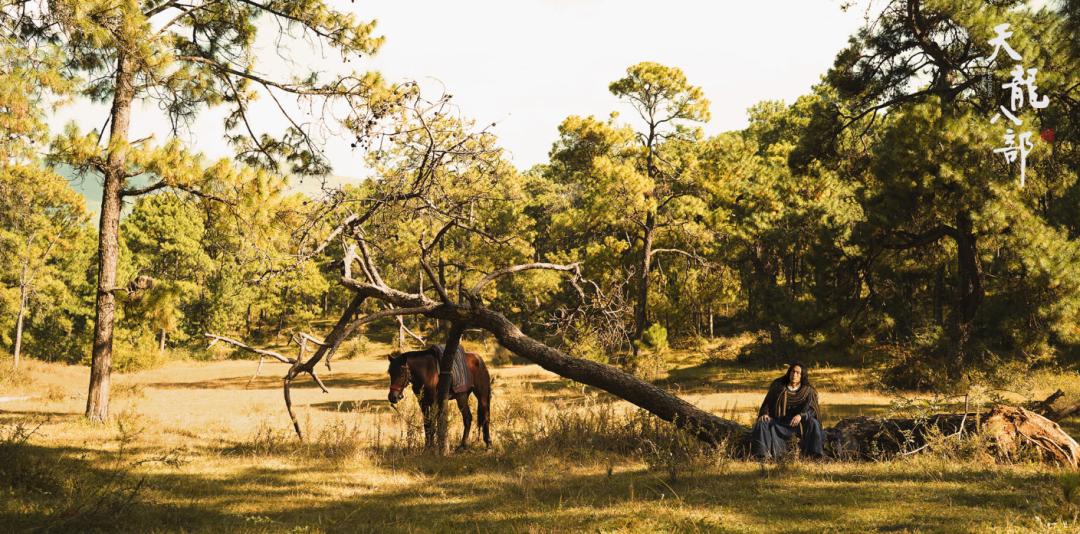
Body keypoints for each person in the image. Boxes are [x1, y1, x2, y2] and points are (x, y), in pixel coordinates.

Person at [751, 362, 824, 460]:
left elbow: (812, 410)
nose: (794, 375)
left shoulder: (808, 391)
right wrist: (764, 413)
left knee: (813, 423)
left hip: (798, 425)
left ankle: (814, 456)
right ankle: (762, 456)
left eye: (798, 373)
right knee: (762, 423)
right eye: (793, 371)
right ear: (789, 372)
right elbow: (767, 402)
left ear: (802, 376)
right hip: (778, 423)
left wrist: (801, 416)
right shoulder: (778, 386)